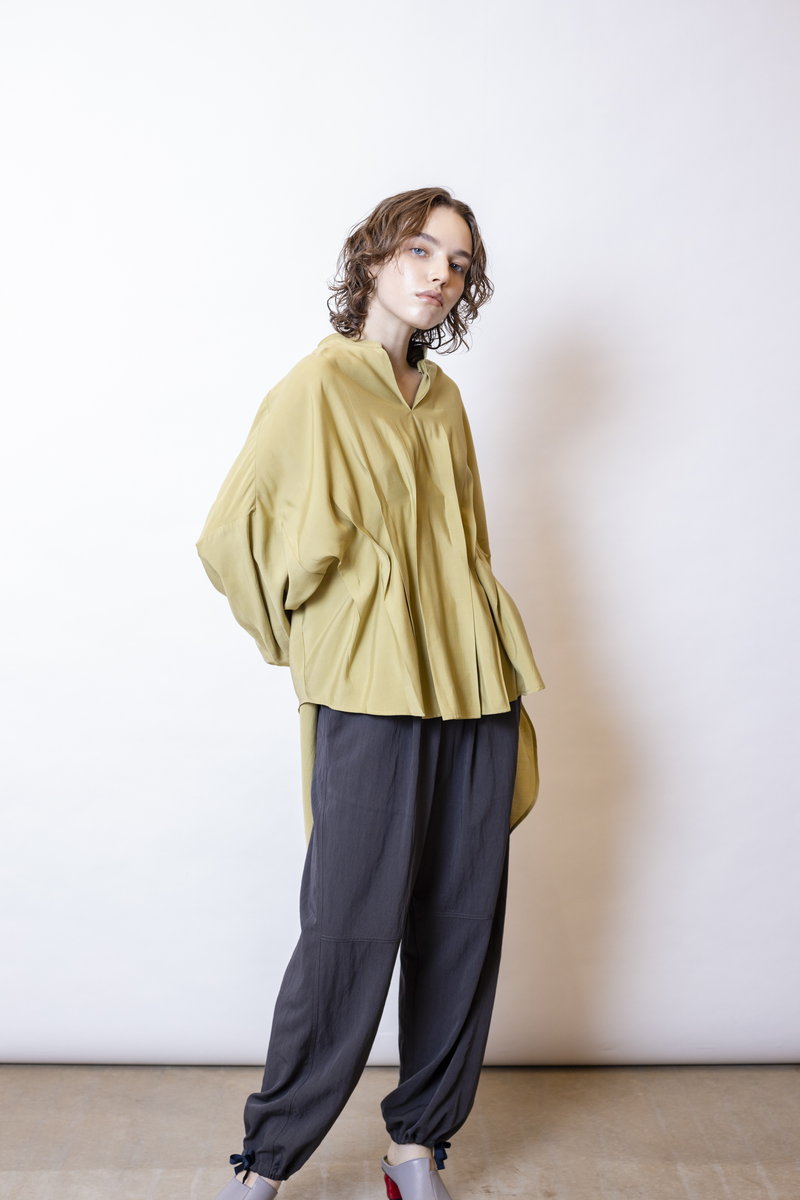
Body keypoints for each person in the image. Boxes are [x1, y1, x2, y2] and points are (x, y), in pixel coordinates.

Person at [196, 186, 544, 1200]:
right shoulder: (317, 386)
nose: (440, 274)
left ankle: (415, 1146)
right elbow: (229, 535)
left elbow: (469, 546)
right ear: (375, 256)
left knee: (461, 921)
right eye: (421, 249)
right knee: (347, 927)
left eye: (458, 263)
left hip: (473, 690)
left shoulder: (444, 399)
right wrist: (313, 634)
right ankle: (268, 1158)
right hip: (371, 690)